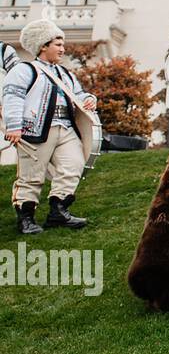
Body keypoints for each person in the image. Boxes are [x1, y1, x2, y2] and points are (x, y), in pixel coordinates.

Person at [4, 19, 97, 234]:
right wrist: (14, 126)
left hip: (66, 128)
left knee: (74, 165)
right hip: (35, 130)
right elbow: (12, 97)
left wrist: (89, 99)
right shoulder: (24, 70)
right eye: (58, 44)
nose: (63, 49)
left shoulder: (65, 74)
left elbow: (80, 94)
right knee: (31, 175)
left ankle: (58, 213)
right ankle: (26, 219)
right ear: (43, 45)